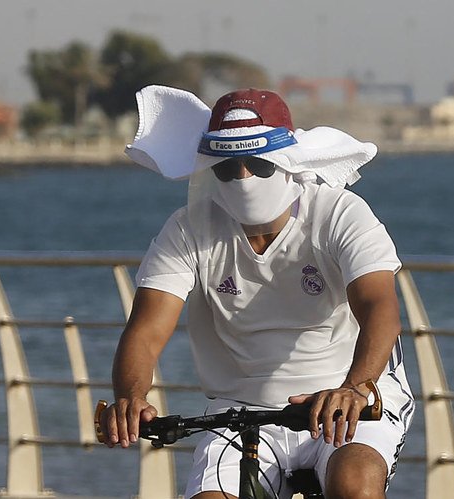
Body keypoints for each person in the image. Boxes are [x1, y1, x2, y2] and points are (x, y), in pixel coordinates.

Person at [99, 85, 414, 499]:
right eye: (228, 168)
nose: (243, 177)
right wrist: (130, 398)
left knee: (354, 484)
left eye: (258, 164)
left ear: (286, 161)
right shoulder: (188, 228)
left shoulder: (339, 213)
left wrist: (355, 388)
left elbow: (379, 308)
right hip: (242, 410)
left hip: (344, 399)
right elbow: (146, 329)